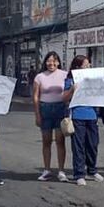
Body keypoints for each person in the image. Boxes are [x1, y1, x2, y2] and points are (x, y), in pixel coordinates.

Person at [62, 54, 102, 185]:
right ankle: (79, 174)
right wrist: (72, 89)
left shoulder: (92, 79)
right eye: (85, 65)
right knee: (78, 146)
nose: (88, 66)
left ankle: (92, 169)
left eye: (89, 64)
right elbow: (64, 98)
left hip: (91, 116)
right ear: (78, 66)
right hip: (78, 116)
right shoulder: (71, 80)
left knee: (93, 144)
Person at [32, 52, 69, 182]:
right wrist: (37, 114)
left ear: (58, 62)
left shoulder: (65, 75)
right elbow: (35, 96)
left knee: (60, 141)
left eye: (54, 61)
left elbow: (69, 91)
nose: (51, 63)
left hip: (60, 109)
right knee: (46, 141)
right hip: (45, 109)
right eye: (48, 61)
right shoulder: (39, 77)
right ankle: (47, 169)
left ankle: (61, 170)